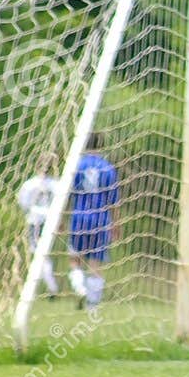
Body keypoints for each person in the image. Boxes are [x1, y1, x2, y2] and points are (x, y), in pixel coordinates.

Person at [67, 133, 119, 311]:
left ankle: (80, 288)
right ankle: (92, 306)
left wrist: (60, 220)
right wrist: (116, 223)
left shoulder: (76, 165)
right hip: (101, 219)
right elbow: (113, 200)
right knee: (96, 263)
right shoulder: (108, 168)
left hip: (79, 217)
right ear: (102, 146)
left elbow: (66, 194)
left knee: (75, 259)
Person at [16, 153, 60, 300]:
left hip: (35, 221)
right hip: (50, 220)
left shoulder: (29, 184)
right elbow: (60, 203)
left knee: (38, 253)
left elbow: (23, 204)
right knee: (44, 253)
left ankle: (49, 287)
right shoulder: (56, 184)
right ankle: (49, 287)